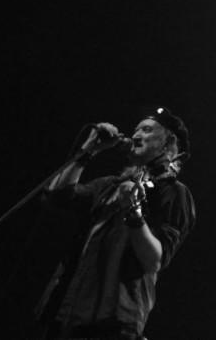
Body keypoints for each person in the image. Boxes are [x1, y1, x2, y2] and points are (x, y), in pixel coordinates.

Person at [37, 107, 196, 340]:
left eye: (147, 129)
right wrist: (88, 150)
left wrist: (133, 211)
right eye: (135, 130)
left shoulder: (173, 193)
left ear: (168, 143)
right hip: (65, 313)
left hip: (112, 323)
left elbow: (155, 259)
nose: (135, 135)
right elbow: (56, 195)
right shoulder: (110, 185)